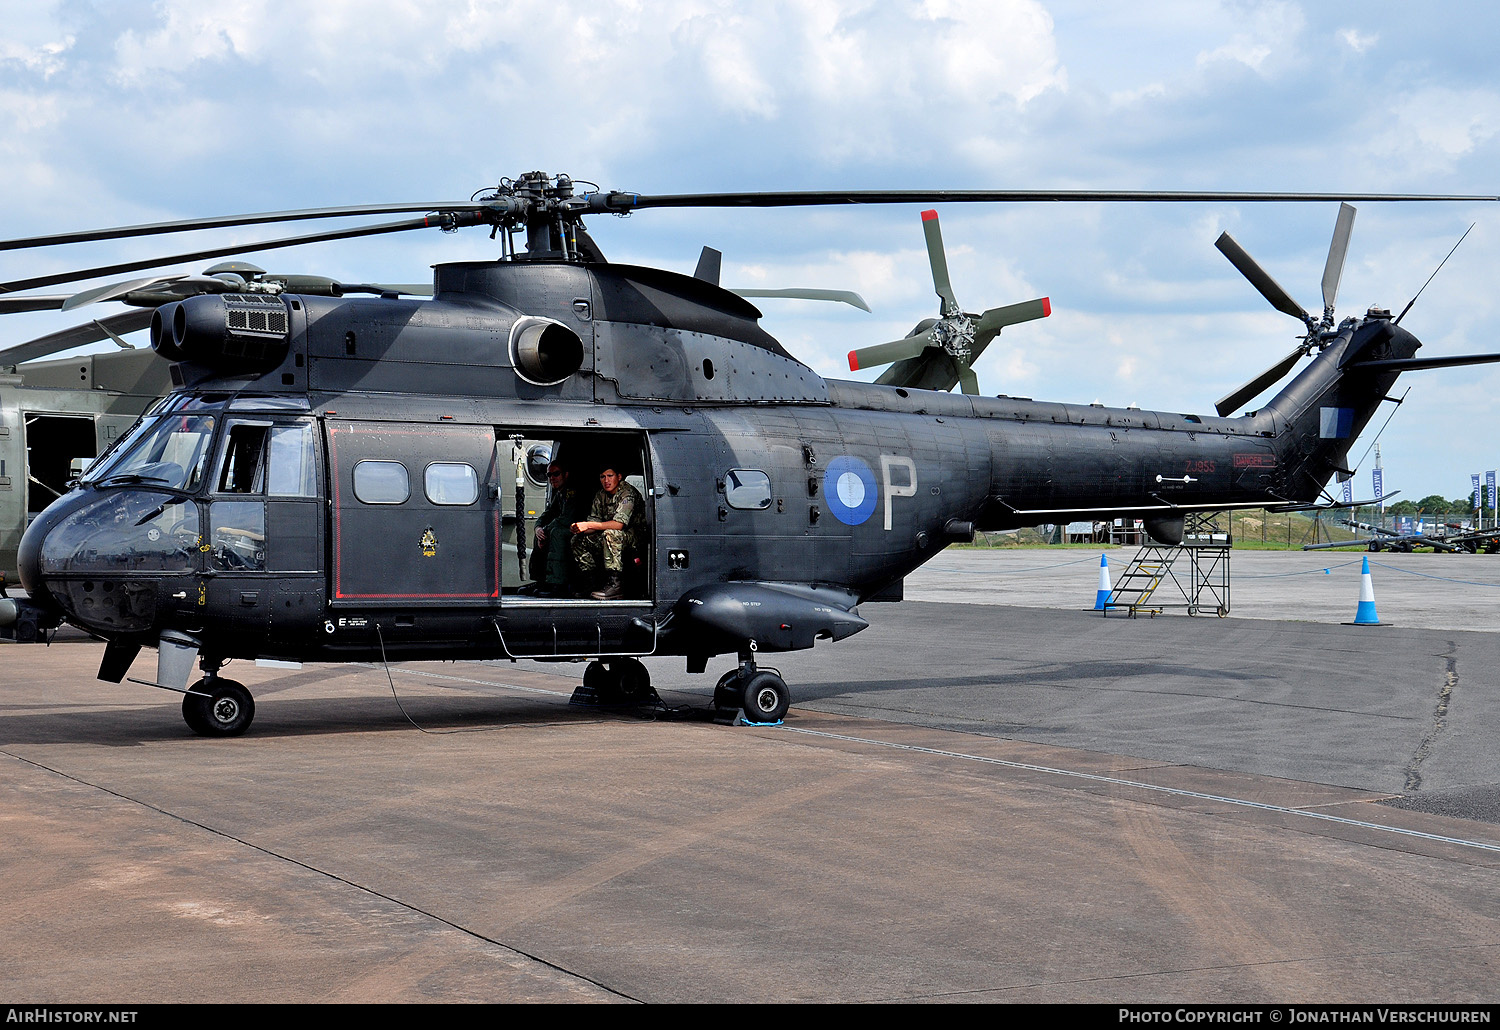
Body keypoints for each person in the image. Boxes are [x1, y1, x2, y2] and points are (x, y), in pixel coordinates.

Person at [571, 466, 647, 600]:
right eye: (602, 477)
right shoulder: (601, 495)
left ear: (618, 477)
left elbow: (619, 525)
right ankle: (592, 582)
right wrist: (580, 528)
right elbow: (594, 522)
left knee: (610, 534)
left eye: (610, 476)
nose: (606, 480)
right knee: (578, 540)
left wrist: (588, 525)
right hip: (612, 533)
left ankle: (615, 585)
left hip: (633, 536)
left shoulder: (627, 493)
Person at [529, 463, 588, 596]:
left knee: (556, 533)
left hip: (578, 530)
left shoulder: (571, 492)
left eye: (556, 474)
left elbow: (566, 518)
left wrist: (545, 529)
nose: (552, 478)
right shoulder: (560, 493)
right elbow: (548, 514)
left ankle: (558, 584)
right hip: (567, 528)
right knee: (540, 534)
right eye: (549, 475)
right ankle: (542, 580)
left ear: (565, 475)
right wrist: (538, 528)